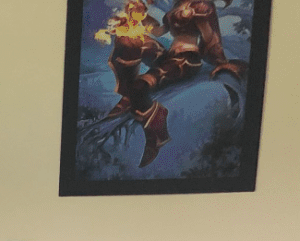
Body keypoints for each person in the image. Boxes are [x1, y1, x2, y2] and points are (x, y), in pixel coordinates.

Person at [98, 0, 247, 167]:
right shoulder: (178, 5)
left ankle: (157, 131)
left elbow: (211, 39)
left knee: (140, 87)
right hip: (169, 57)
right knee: (129, 41)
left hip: (187, 60)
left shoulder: (201, 5)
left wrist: (220, 62)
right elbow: (159, 31)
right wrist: (139, 17)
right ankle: (128, 94)